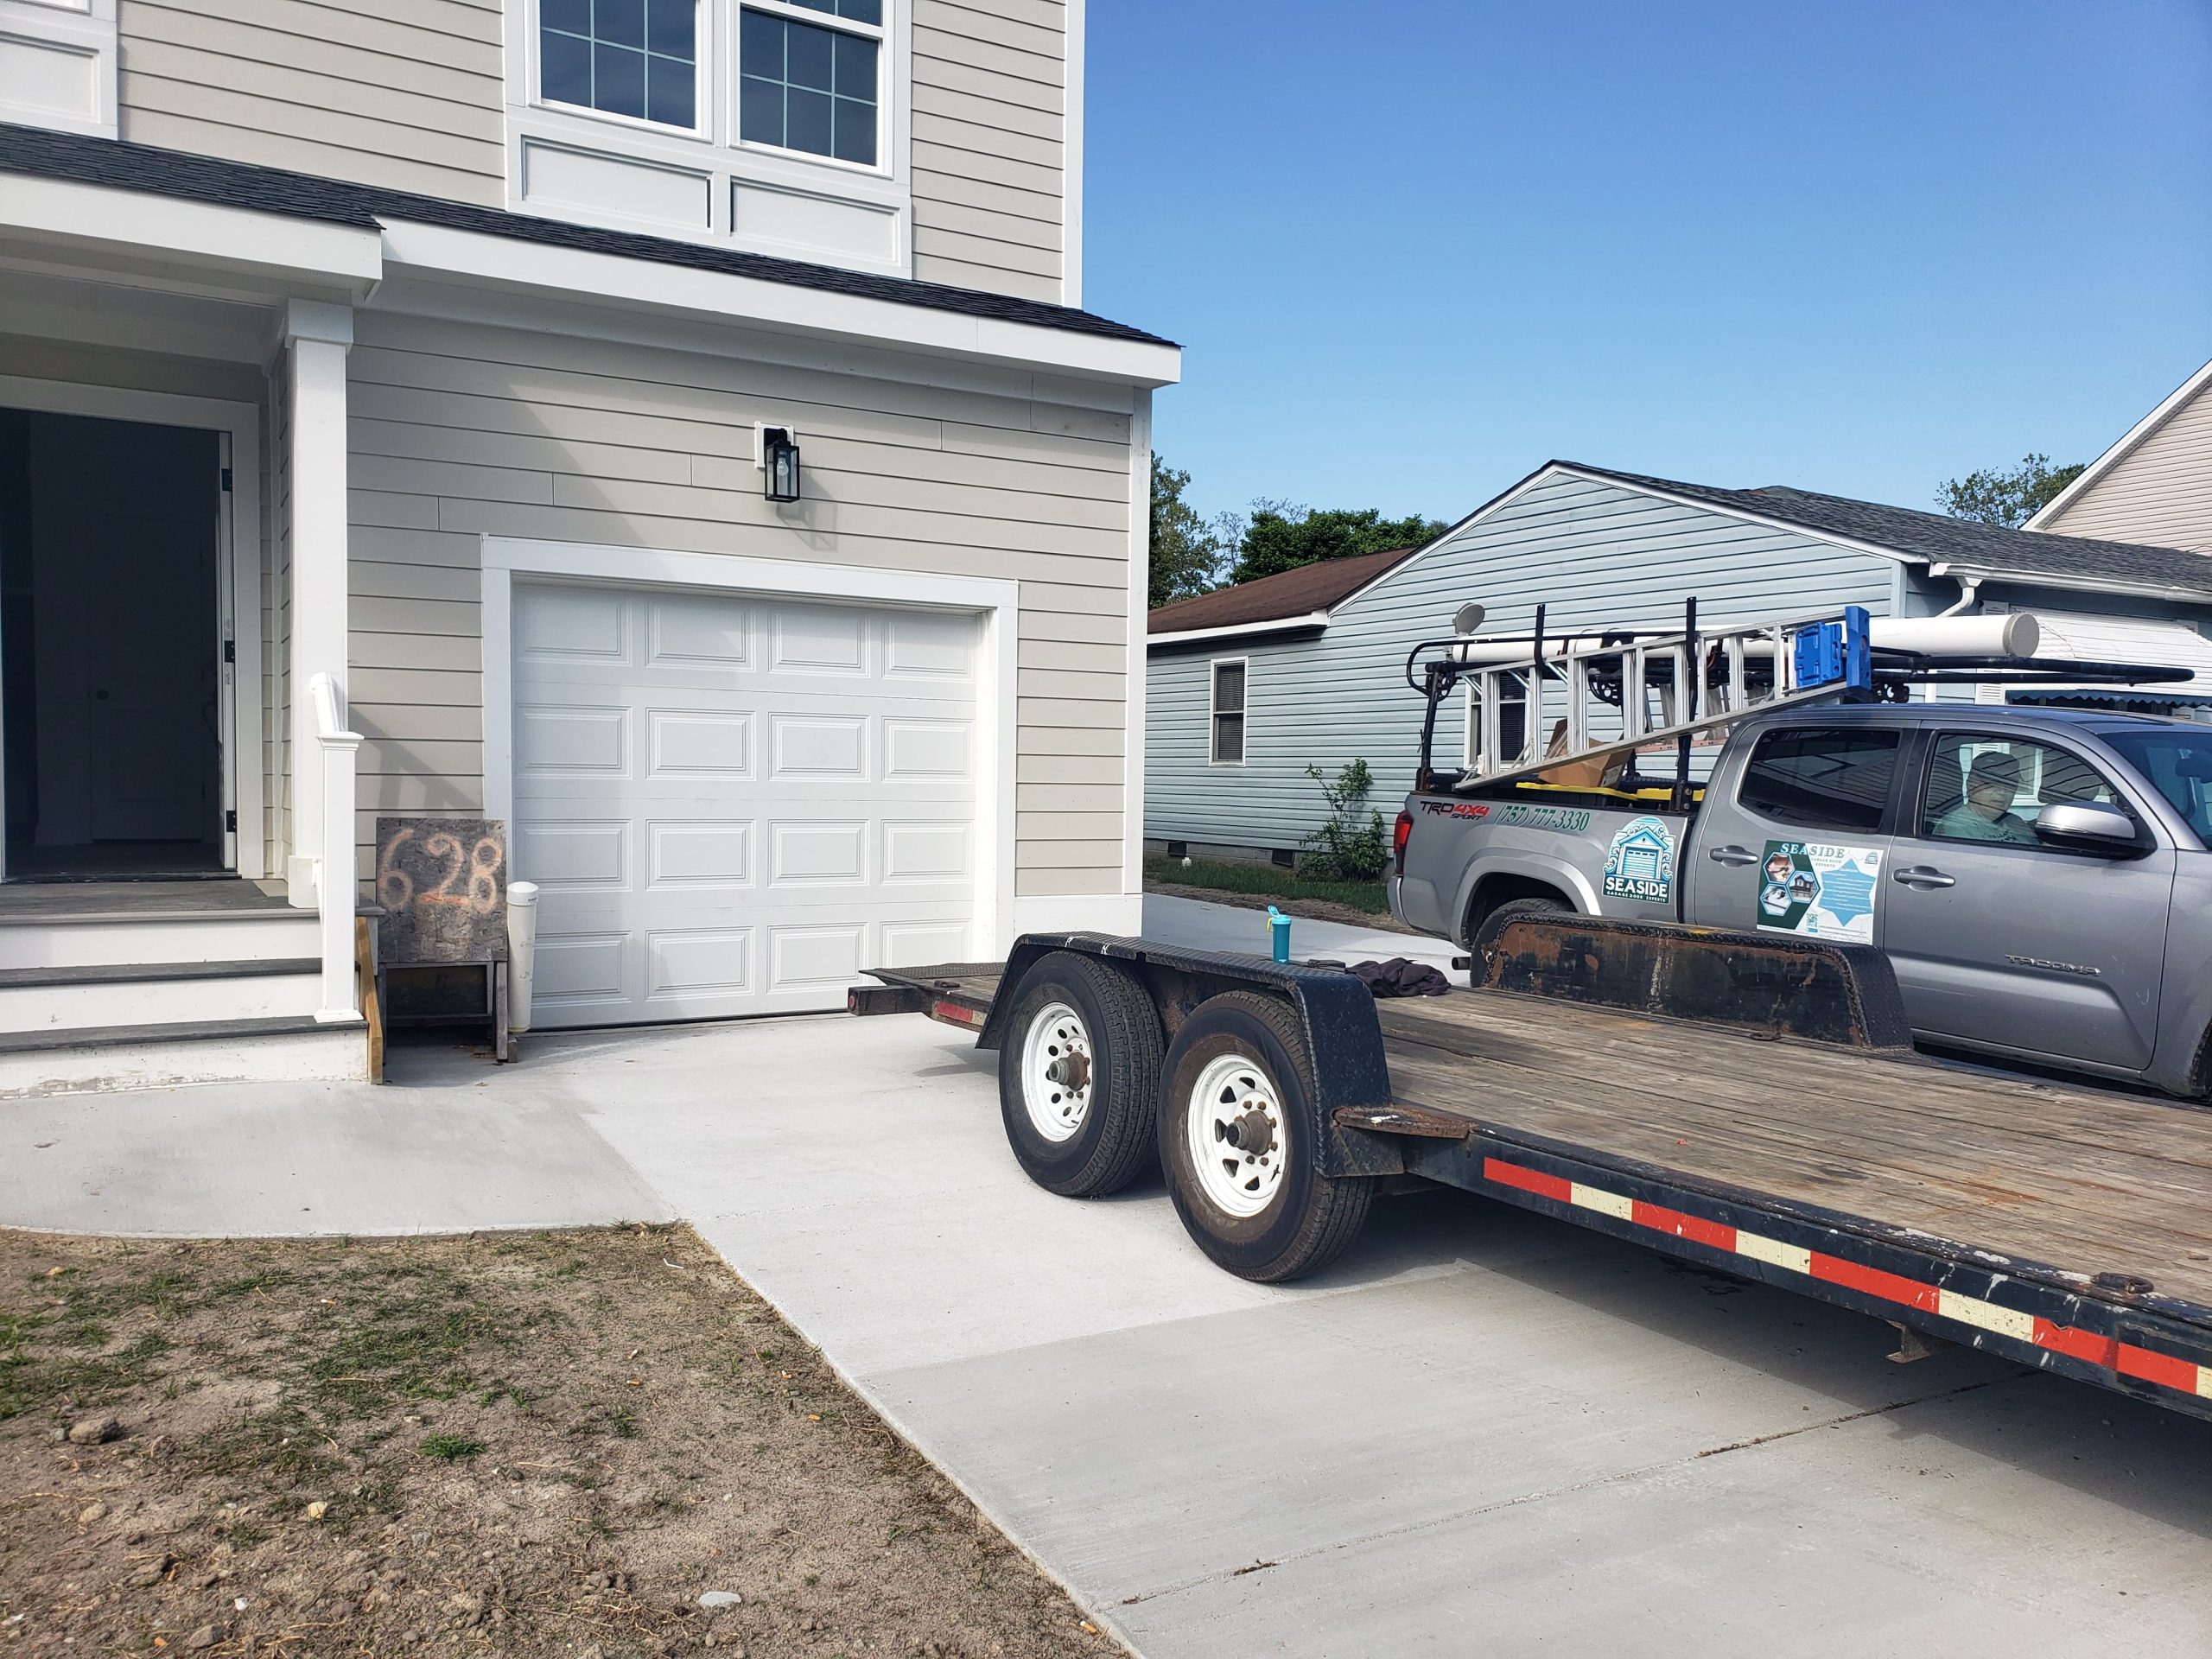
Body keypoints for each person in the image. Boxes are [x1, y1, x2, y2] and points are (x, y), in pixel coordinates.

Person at [1930, 749, 2038, 844]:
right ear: (1971, 785)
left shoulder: (2014, 821)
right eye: (1992, 784)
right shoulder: (1957, 826)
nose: (2002, 792)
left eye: (2010, 785)